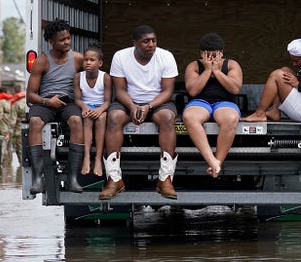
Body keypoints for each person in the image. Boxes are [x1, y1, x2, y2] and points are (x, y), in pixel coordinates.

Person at [99, 25, 179, 200]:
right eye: (146, 41)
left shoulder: (166, 56)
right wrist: (133, 106)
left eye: (154, 40)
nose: (151, 44)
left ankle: (165, 179)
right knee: (113, 118)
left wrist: (148, 106)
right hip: (128, 102)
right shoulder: (121, 56)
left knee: (167, 118)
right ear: (134, 43)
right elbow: (119, 91)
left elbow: (167, 92)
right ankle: (114, 179)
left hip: (158, 103)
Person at [26, 18, 85, 194]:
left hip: (68, 103)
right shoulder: (42, 61)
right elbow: (30, 95)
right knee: (35, 122)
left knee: (76, 120)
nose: (67, 42)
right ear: (51, 42)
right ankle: (38, 179)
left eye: (68, 38)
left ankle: (72, 178)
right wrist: (47, 101)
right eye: (62, 40)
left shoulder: (78, 59)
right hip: (46, 103)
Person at [183, 33, 243, 178]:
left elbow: (235, 88)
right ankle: (212, 161)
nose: (211, 59)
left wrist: (216, 71)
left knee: (230, 118)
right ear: (201, 54)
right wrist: (207, 70)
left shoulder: (231, 64)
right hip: (200, 102)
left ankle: (218, 162)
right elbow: (192, 90)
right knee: (189, 117)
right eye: (208, 56)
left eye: (215, 56)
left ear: (221, 52)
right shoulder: (194, 66)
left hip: (225, 103)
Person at [241, 38, 301, 122]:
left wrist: (298, 84)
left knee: (277, 75)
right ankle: (275, 111)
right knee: (285, 70)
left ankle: (259, 114)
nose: (294, 64)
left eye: (296, 61)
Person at [74, 42, 112, 177]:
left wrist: (100, 110)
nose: (88, 63)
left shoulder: (105, 77)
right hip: (86, 107)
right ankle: (86, 157)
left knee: (101, 119)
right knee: (87, 120)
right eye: (85, 60)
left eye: (92, 60)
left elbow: (108, 100)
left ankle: (98, 159)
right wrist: (84, 107)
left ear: (100, 63)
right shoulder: (79, 77)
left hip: (100, 107)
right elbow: (77, 99)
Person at [0, 86, 13, 165]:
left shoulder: (0, 102)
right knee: (8, 146)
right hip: (9, 128)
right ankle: (9, 165)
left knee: (1, 146)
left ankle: (4, 164)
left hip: (1, 128)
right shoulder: (10, 101)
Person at [9, 84, 26, 162]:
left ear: (14, 91)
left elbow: (13, 120)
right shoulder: (28, 101)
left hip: (19, 130)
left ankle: (21, 169)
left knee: (20, 149)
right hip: (32, 129)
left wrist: (9, 133)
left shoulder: (16, 104)